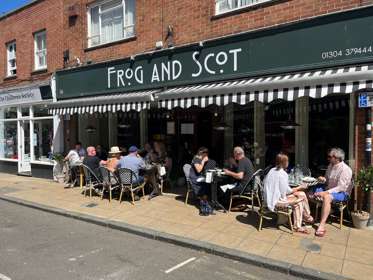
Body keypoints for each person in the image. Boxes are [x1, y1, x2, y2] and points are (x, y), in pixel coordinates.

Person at [263, 153, 313, 234]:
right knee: (299, 201)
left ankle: (307, 217)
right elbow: (287, 191)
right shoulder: (283, 174)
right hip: (275, 202)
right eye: (287, 161)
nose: (288, 163)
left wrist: (298, 190)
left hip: (269, 198)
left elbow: (284, 190)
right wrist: (300, 187)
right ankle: (298, 225)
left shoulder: (272, 170)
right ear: (284, 163)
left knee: (302, 194)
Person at [313, 148, 352, 237]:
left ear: (337, 158)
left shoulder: (345, 169)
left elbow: (341, 187)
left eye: (330, 157)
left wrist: (325, 193)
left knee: (327, 197)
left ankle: (322, 225)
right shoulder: (330, 166)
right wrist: (323, 179)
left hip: (342, 193)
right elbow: (327, 181)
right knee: (311, 191)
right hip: (330, 189)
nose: (328, 158)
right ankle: (315, 214)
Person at [189, 147, 213, 215]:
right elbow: (198, 170)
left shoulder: (199, 158)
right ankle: (204, 207)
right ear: (202, 153)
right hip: (195, 179)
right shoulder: (196, 159)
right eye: (205, 154)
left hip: (199, 177)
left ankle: (205, 205)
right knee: (205, 186)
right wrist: (203, 161)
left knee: (208, 183)